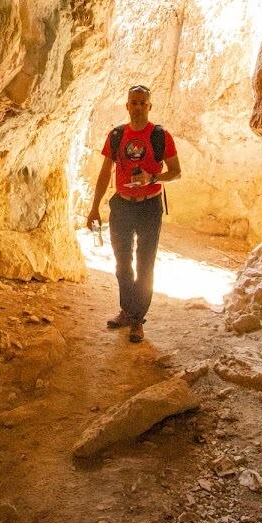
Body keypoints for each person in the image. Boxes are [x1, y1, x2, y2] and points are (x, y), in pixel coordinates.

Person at [86, 85, 181, 343]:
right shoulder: (117, 135)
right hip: (122, 205)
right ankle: (127, 311)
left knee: (145, 263)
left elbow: (176, 171)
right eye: (134, 102)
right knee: (122, 262)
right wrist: (94, 208)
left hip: (149, 205)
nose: (138, 107)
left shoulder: (161, 136)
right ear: (127, 106)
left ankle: (138, 319)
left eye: (143, 103)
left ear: (150, 106)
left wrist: (152, 176)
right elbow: (106, 172)